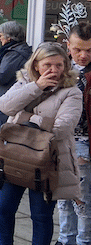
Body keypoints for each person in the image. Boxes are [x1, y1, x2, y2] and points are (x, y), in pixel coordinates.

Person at [0, 42, 82, 245]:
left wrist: (26, 116)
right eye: (48, 65)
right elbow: (5, 106)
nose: (54, 70)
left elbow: (61, 129)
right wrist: (37, 87)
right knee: (3, 207)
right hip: (15, 155)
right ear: (36, 65)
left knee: (41, 215)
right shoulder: (25, 82)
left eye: (60, 65)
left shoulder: (71, 92)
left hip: (47, 160)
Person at [57, 21, 91, 245]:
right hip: (60, 141)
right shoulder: (59, 68)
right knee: (62, 198)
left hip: (84, 142)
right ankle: (64, 238)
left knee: (82, 199)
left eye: (89, 50)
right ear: (68, 45)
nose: (83, 55)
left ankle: (83, 240)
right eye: (78, 49)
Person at [0, 21, 33, 132]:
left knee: (4, 137)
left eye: (0, 36)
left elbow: (0, 77)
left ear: (9, 38)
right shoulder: (16, 51)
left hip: (6, 104)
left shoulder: (14, 54)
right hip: (8, 102)